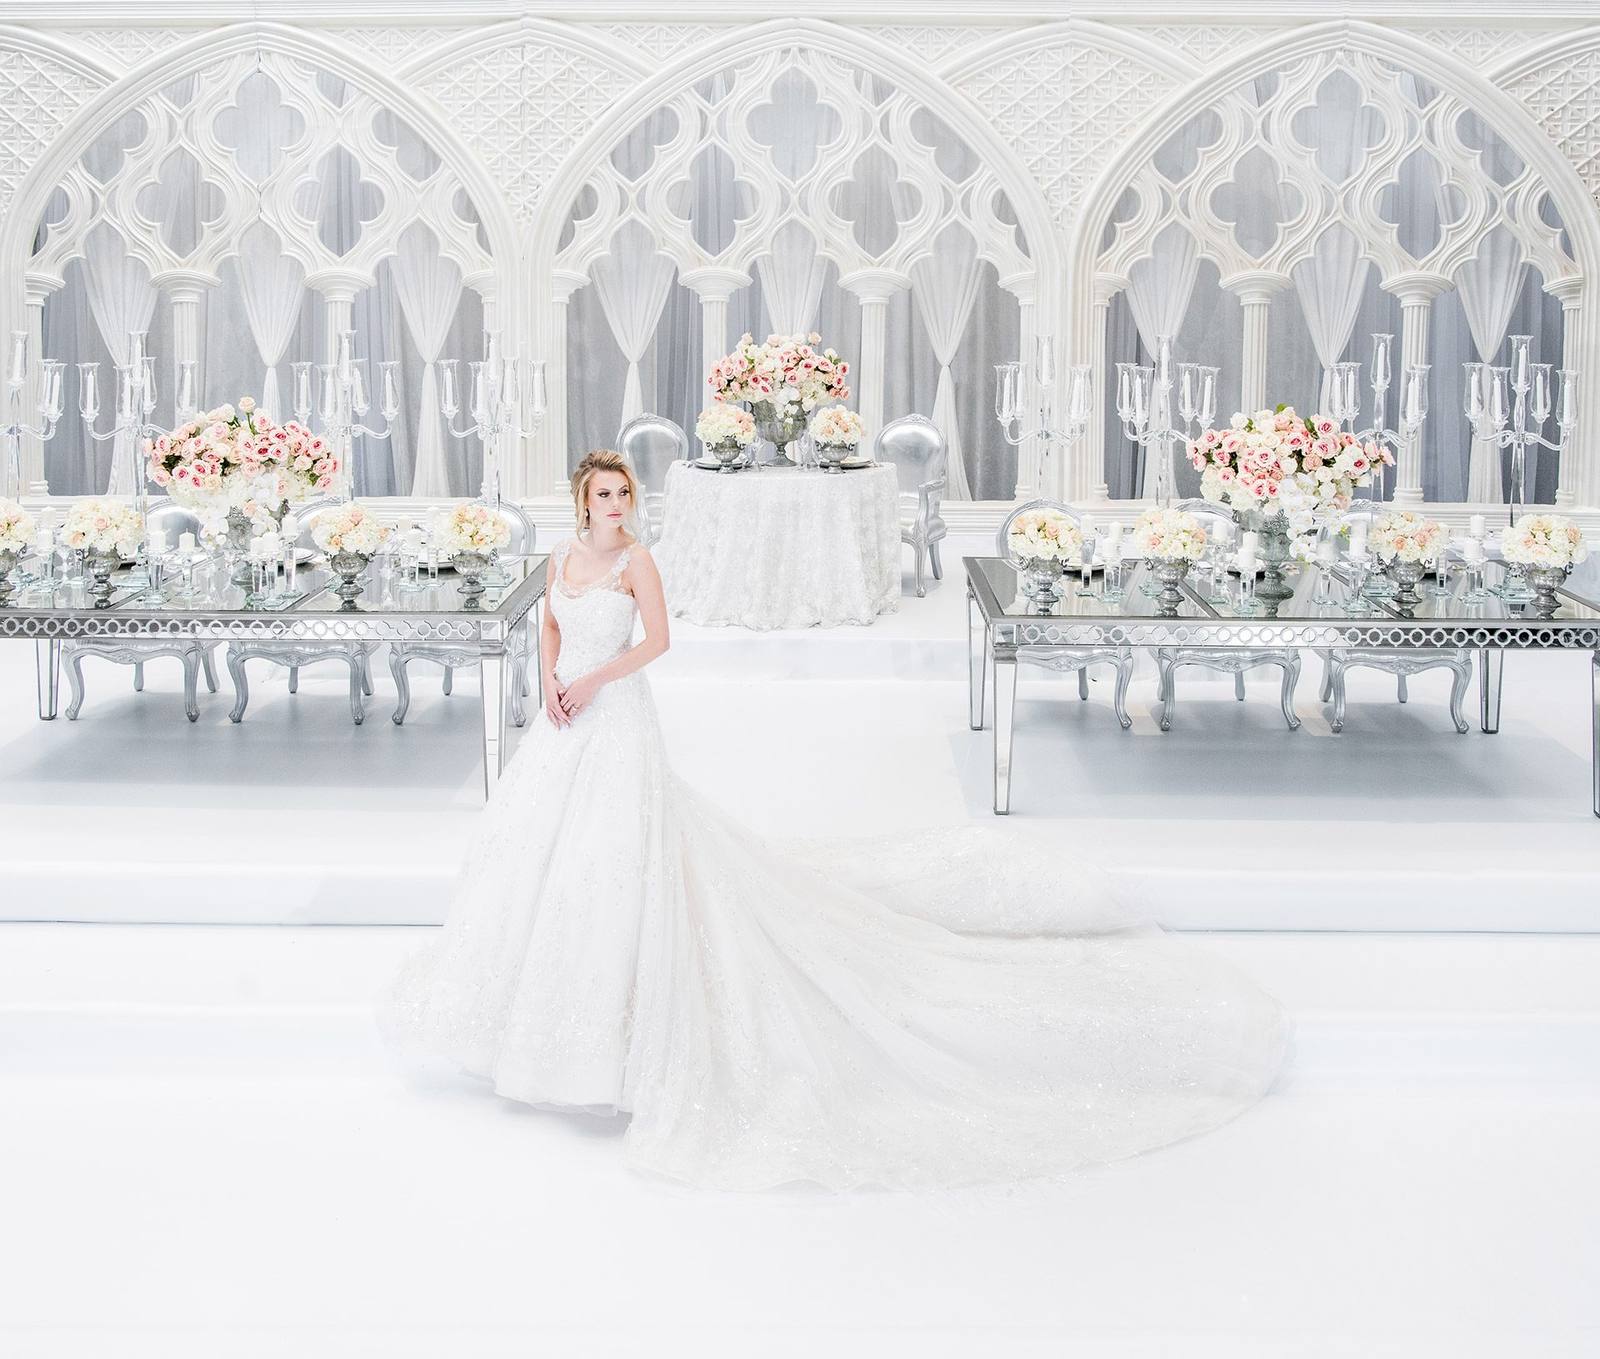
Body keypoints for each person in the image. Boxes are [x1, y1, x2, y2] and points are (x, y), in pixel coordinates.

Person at [376, 449, 1290, 1190]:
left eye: (623, 494)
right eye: (601, 494)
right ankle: (534, 1021)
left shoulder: (637, 563)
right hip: (563, 720)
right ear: (580, 500)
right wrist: (550, 682)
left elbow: (658, 642)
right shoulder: (559, 559)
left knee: (617, 862)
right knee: (541, 858)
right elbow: (547, 624)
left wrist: (591, 681)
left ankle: (619, 1035)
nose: (613, 505)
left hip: (611, 719)